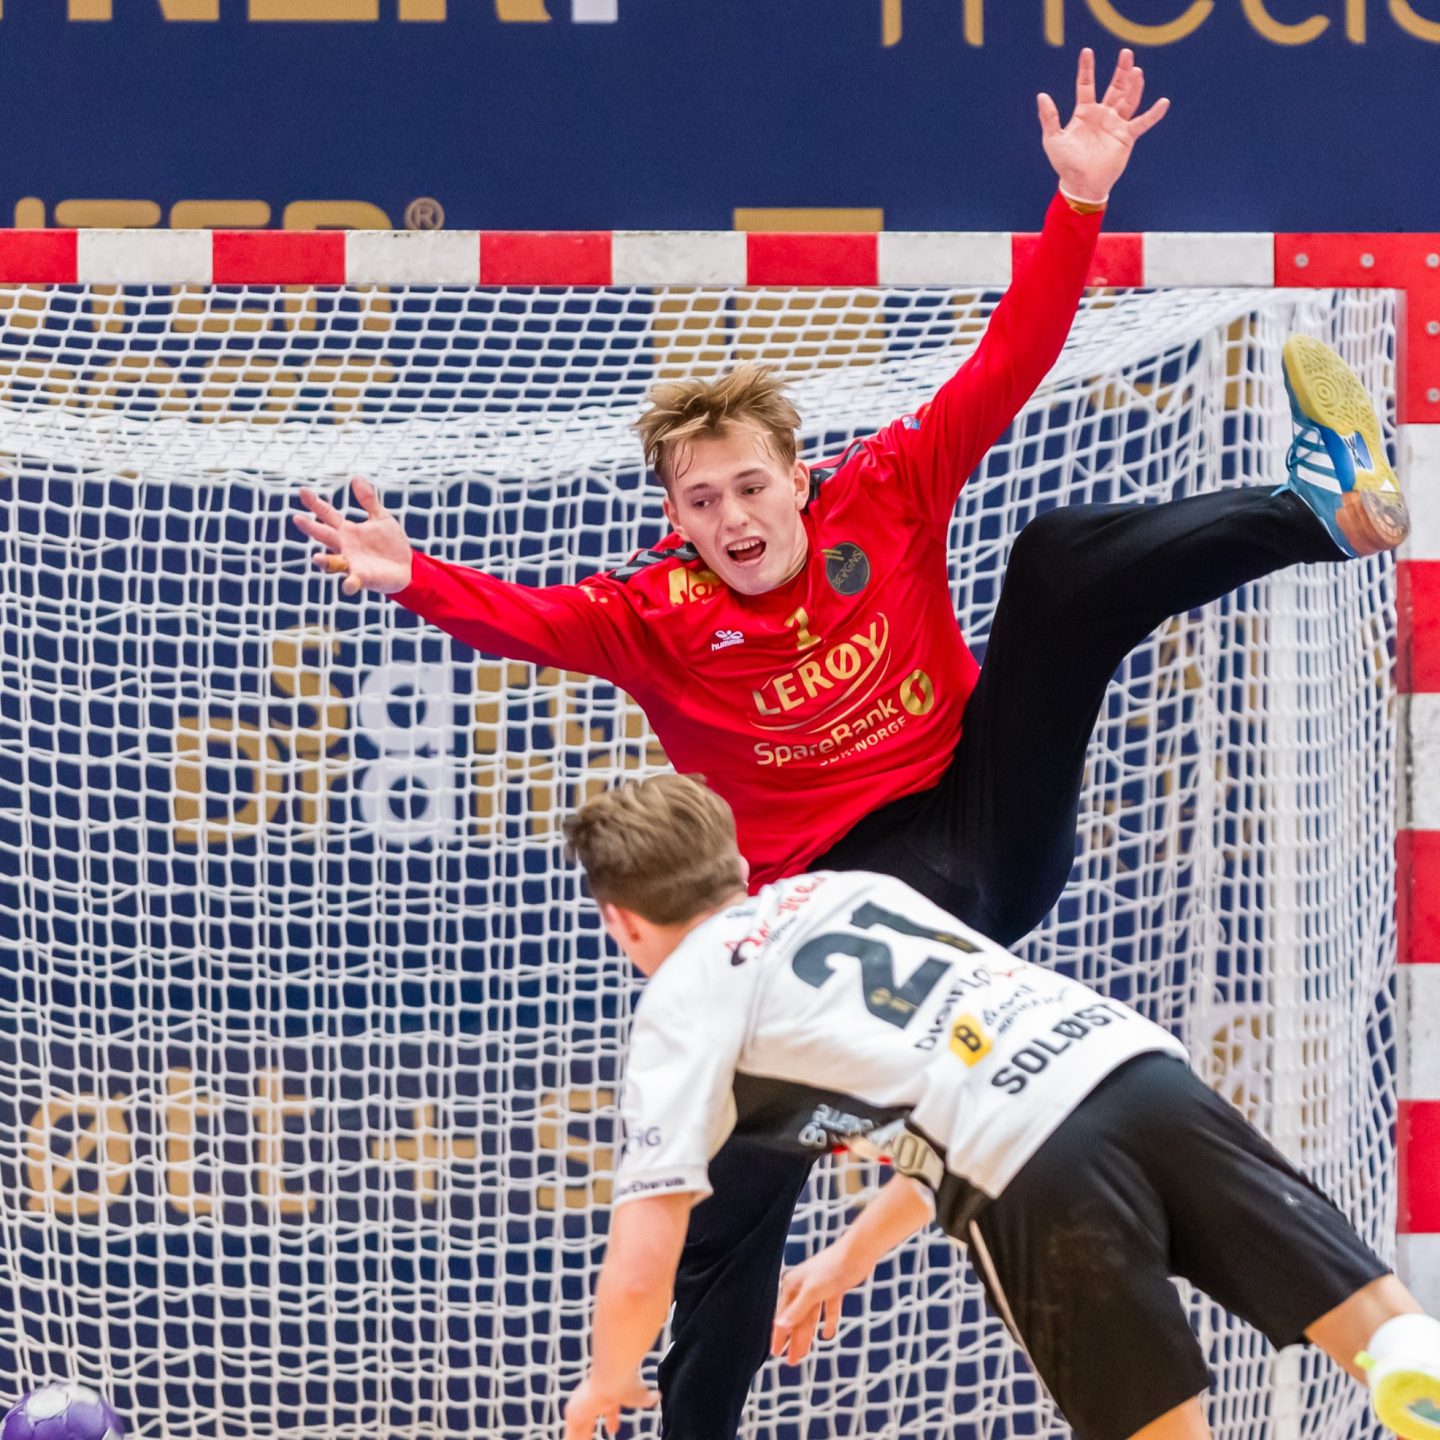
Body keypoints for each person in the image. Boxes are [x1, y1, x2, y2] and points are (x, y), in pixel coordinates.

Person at [291, 49, 1408, 1440]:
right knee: (731, 1187)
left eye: (749, 486)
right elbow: (520, 621)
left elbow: (1013, 357)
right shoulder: (653, 616)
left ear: (798, 481)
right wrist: (410, 575)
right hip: (853, 897)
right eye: (703, 502)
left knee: (1057, 567)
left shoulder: (888, 492)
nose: (732, 518)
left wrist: (1077, 203)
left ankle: (1326, 517)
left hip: (985, 813)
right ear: (678, 521)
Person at [557, 773, 1439, 1440]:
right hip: (1133, 1070)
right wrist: (849, 1258)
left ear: (621, 919)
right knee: (1375, 1325)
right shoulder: (846, 890)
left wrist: (608, 1375)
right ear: (739, 865)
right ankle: (1414, 1353)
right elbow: (970, 1084)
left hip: (1032, 1174)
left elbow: (644, 1253)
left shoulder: (681, 1004)